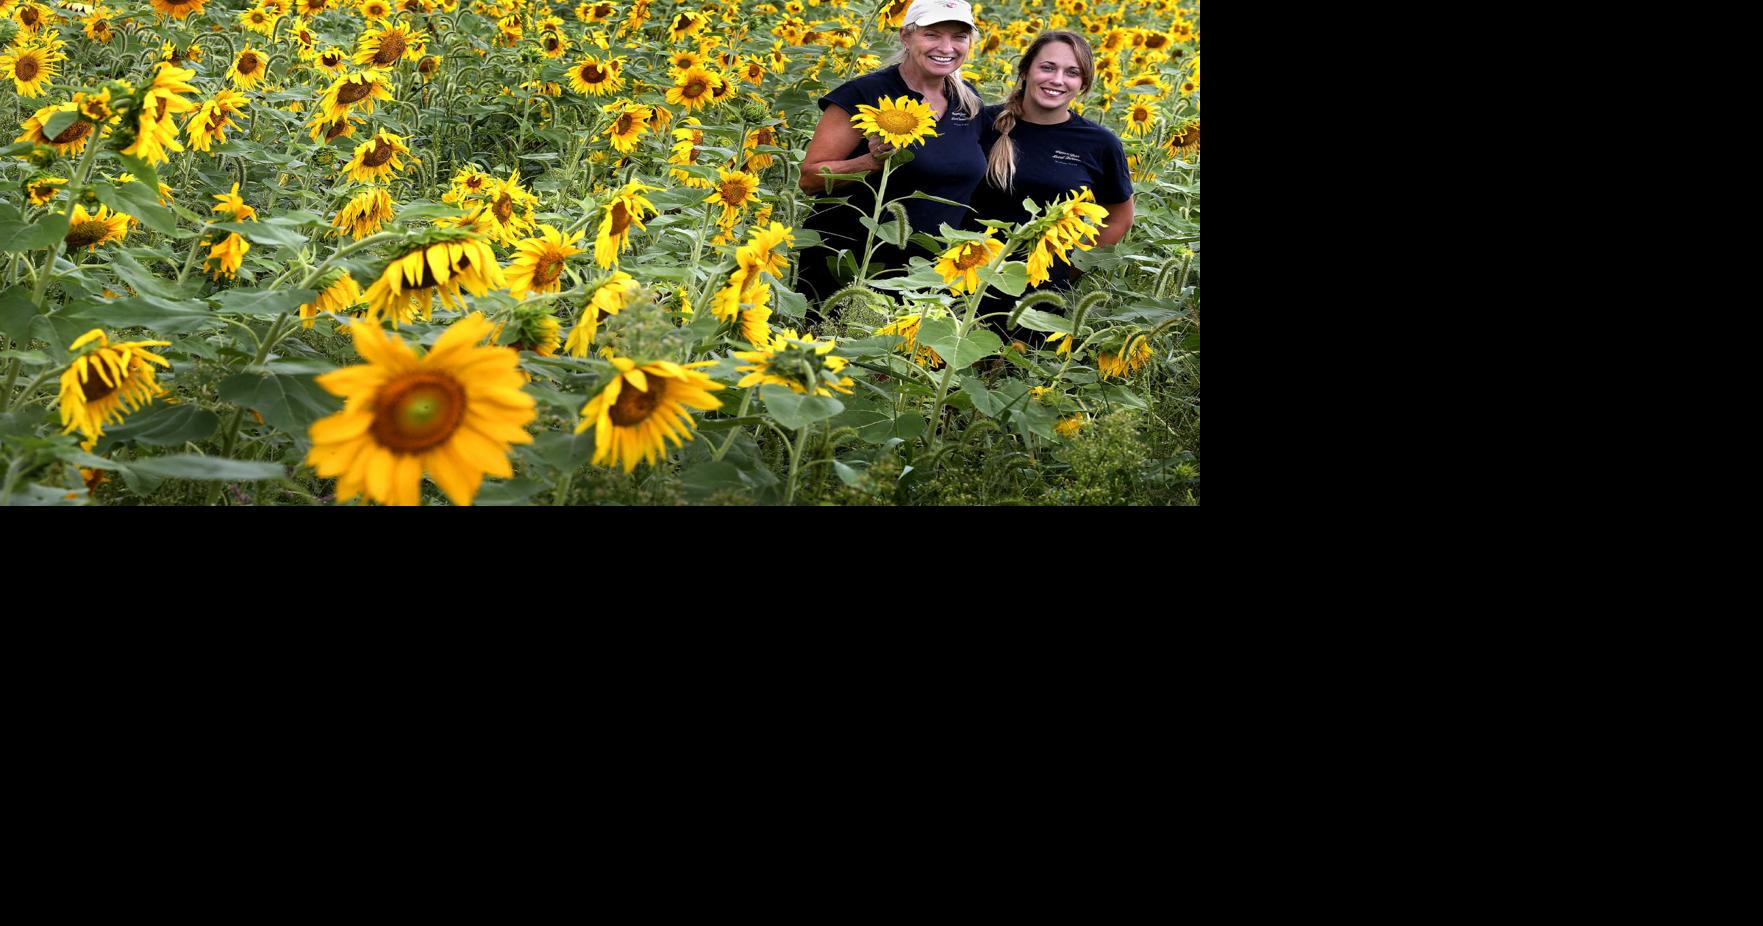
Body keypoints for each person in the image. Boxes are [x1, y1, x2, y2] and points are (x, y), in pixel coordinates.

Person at [796, 0, 987, 313]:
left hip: (932, 282)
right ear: (906, 37)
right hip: (851, 273)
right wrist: (870, 163)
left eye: (959, 37)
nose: (946, 47)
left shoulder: (968, 101)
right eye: (932, 35)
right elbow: (810, 179)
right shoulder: (864, 94)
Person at [970, 31, 1135, 334]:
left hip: (1038, 298)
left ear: (1083, 84)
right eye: (1047, 67)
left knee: (1021, 375)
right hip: (964, 279)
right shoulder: (981, 124)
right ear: (1025, 71)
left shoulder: (1099, 143)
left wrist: (1070, 266)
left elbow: (1120, 217)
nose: (1057, 80)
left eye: (1072, 73)